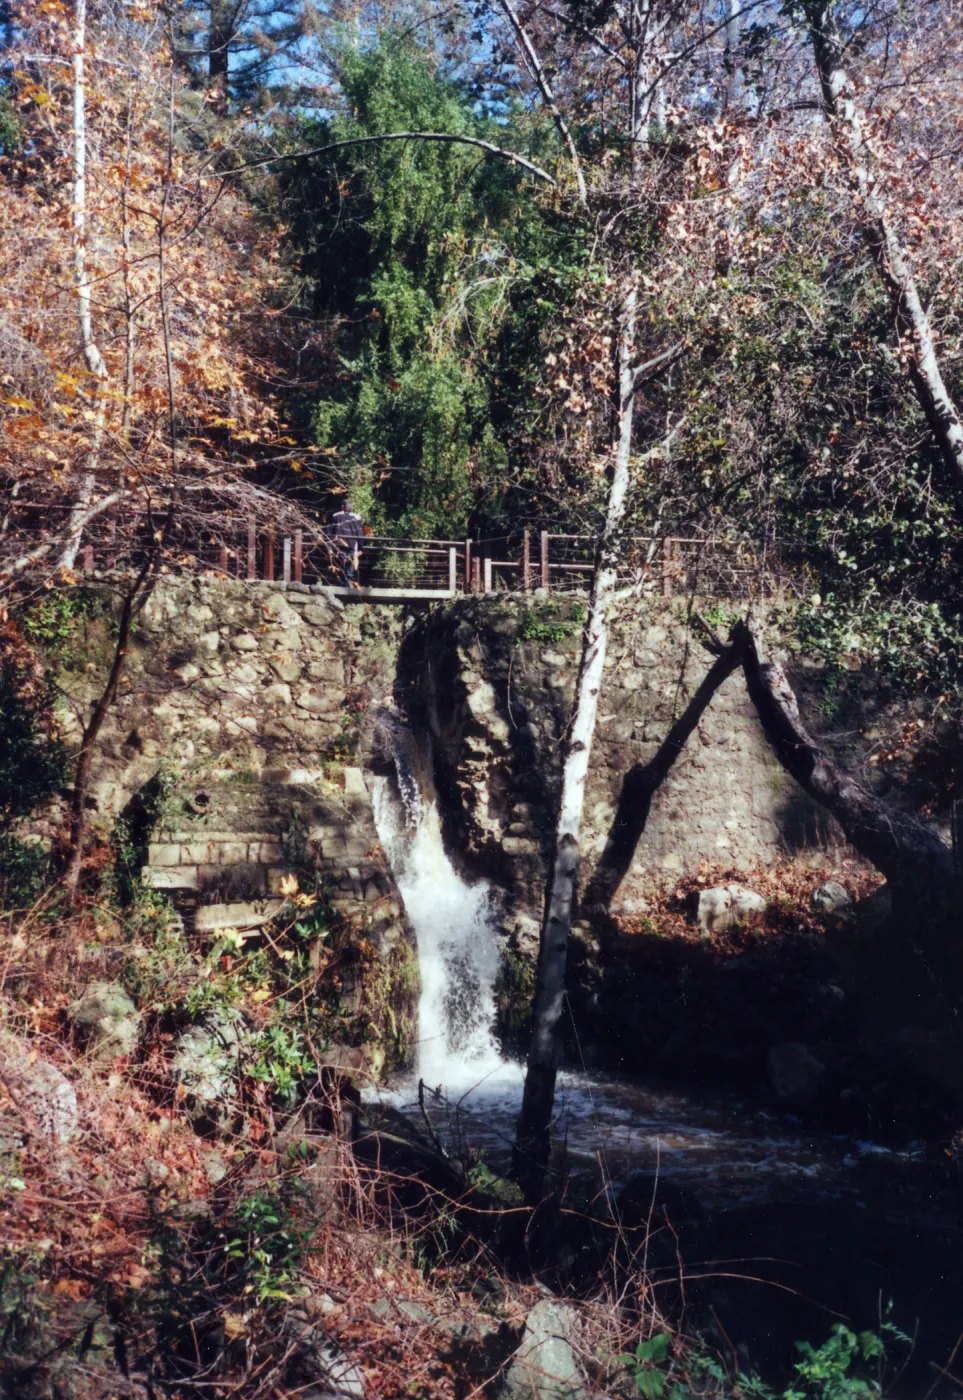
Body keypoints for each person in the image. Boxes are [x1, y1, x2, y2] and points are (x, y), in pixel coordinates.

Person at [328, 496, 365, 584]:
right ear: (351, 507)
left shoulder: (335, 516)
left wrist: (329, 546)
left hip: (338, 546)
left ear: (342, 506)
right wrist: (361, 547)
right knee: (350, 569)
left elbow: (330, 532)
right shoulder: (356, 517)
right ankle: (348, 588)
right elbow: (359, 534)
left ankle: (341, 587)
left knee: (340, 567)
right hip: (351, 546)